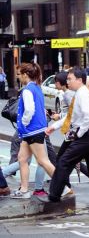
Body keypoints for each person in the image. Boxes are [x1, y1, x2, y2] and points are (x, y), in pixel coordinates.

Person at [44, 67, 89, 214]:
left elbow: (87, 118)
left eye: (70, 79)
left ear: (79, 80)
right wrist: (54, 127)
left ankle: (54, 196)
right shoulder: (79, 94)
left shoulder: (83, 95)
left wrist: (79, 134)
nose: (67, 82)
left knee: (63, 161)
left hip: (88, 133)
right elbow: (71, 117)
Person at [10, 63, 57, 199]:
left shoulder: (27, 90)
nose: (18, 77)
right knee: (22, 159)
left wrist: (24, 123)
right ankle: (24, 190)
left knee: (43, 161)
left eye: (19, 74)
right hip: (34, 130)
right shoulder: (37, 88)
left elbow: (30, 109)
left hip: (31, 130)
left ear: (25, 75)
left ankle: (63, 186)